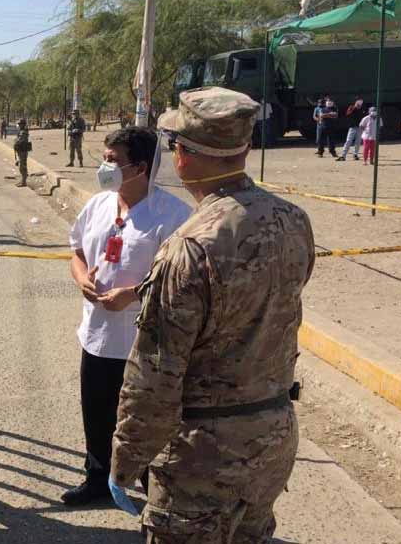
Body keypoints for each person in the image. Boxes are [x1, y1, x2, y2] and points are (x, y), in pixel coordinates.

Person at [110, 86, 315, 543]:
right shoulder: (294, 220)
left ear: (182, 155)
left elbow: (154, 376)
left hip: (203, 460)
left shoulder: (189, 247)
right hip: (272, 440)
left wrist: (125, 462)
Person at [63, 127, 191, 507]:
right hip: (98, 335)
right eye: (105, 157)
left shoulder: (174, 216)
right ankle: (98, 478)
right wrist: (82, 278)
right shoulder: (98, 204)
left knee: (147, 422)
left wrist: (133, 294)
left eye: (113, 160)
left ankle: (156, 496)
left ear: (141, 167)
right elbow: (76, 252)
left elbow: (180, 279)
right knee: (98, 412)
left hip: (145, 341)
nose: (105, 166)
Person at [13, 118, 32, 187]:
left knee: (22, 167)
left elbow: (20, 140)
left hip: (23, 151)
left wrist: (16, 142)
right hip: (21, 151)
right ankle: (23, 180)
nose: (19, 125)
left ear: (23, 125)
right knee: (21, 166)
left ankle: (24, 182)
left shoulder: (24, 132)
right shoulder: (21, 131)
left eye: (20, 124)